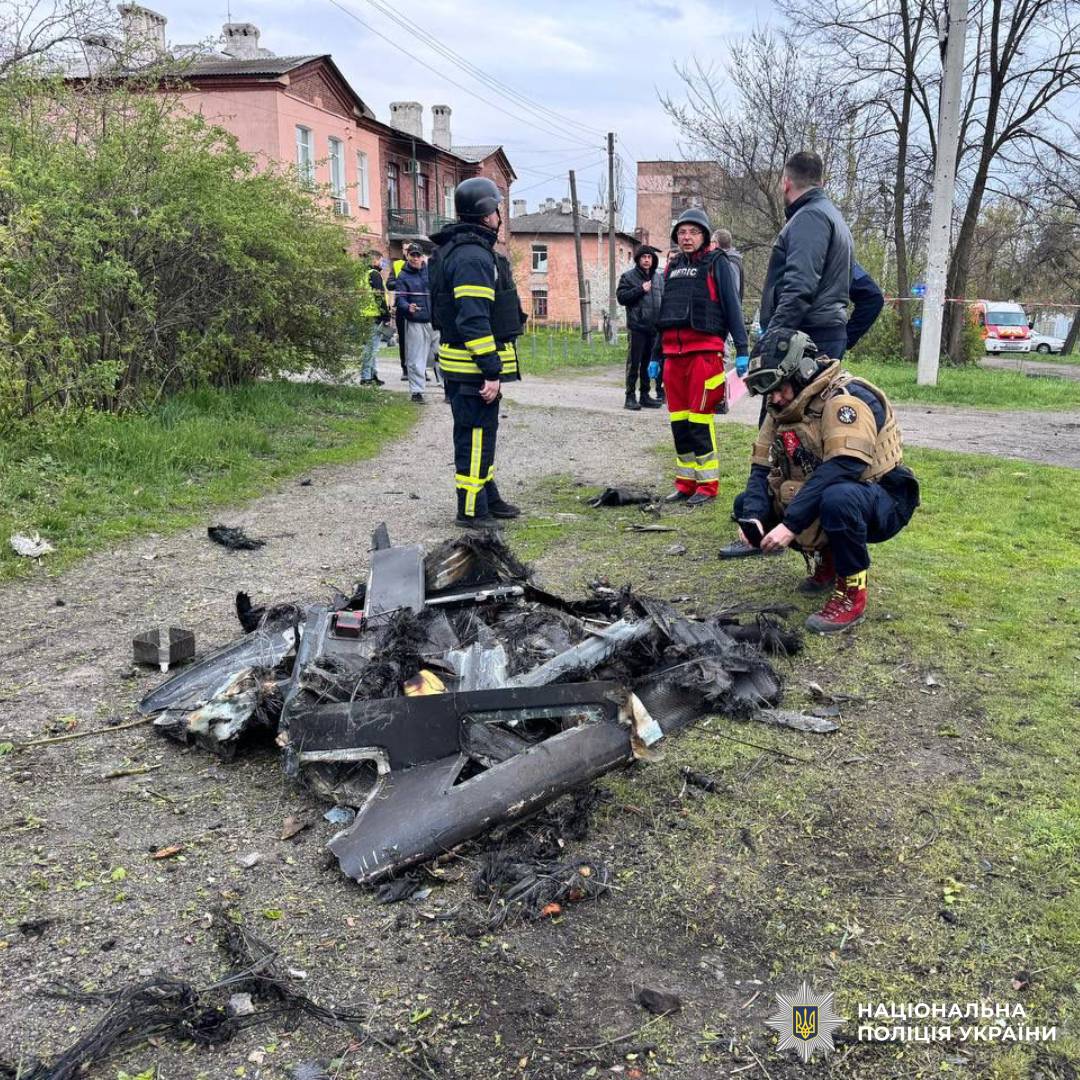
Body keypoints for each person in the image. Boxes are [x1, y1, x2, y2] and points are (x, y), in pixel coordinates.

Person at [730, 331, 920, 633]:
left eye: (779, 388)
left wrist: (790, 524)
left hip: (882, 497)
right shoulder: (780, 407)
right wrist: (752, 515)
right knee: (745, 503)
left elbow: (844, 466)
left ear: (803, 371)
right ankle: (828, 561)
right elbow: (760, 466)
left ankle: (852, 593)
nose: (774, 398)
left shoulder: (848, 398)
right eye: (767, 390)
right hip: (829, 492)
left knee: (838, 499)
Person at [430, 177, 524, 530]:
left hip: (464, 364)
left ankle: (487, 494)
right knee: (474, 435)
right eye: (497, 208)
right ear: (487, 214)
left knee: (482, 433)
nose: (500, 214)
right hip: (472, 367)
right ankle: (471, 509)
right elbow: (473, 318)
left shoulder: (462, 249)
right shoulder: (472, 256)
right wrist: (490, 369)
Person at [653, 208, 749, 507]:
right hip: (673, 355)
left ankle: (707, 486)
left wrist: (743, 349)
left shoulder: (717, 263)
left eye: (693, 232)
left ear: (704, 236)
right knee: (679, 422)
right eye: (682, 232)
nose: (687, 237)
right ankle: (685, 482)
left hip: (704, 354)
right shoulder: (671, 268)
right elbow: (665, 314)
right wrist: (656, 356)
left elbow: (732, 305)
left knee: (699, 420)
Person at [757, 150, 854, 370]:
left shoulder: (810, 217)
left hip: (805, 338)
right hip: (823, 333)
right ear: (821, 182)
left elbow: (799, 286)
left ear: (786, 183)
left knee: (786, 404)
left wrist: (771, 340)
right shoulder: (832, 216)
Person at [616, 244, 664, 410]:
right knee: (634, 363)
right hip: (637, 327)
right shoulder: (628, 277)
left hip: (654, 329)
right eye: (643, 257)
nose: (646, 260)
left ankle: (645, 395)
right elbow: (621, 297)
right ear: (638, 259)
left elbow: (662, 300)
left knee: (647, 363)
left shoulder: (658, 278)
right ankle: (629, 396)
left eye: (649, 257)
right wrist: (640, 290)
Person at [395, 244, 436, 404]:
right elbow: (400, 299)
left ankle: (448, 389)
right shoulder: (403, 276)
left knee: (440, 356)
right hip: (415, 322)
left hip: (434, 321)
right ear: (407, 256)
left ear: (422, 256)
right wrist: (407, 306)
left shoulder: (431, 272)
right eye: (412, 255)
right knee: (415, 359)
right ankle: (417, 392)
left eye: (418, 255)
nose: (415, 258)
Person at [359, 250, 390, 386]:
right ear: (375, 260)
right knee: (371, 348)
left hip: (364, 315)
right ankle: (366, 376)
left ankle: (373, 374)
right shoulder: (375, 274)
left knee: (371, 347)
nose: (382, 263)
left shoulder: (363, 274)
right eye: (381, 260)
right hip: (374, 315)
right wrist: (386, 314)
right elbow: (379, 296)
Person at [846, 261, 885, 352]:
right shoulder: (843, 254)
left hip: (821, 337)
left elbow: (873, 297)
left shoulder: (838, 253)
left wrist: (847, 337)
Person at [386, 253, 408, 380]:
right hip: (401, 307)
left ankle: (421, 369)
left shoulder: (421, 263)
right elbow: (390, 284)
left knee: (419, 341)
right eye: (405, 249)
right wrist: (402, 281)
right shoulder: (397, 264)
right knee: (403, 340)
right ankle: (405, 369)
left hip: (418, 308)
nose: (407, 252)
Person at [712, 228, 744, 300]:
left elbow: (733, 292)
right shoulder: (726, 259)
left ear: (716, 243)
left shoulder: (730, 263)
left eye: (712, 242)